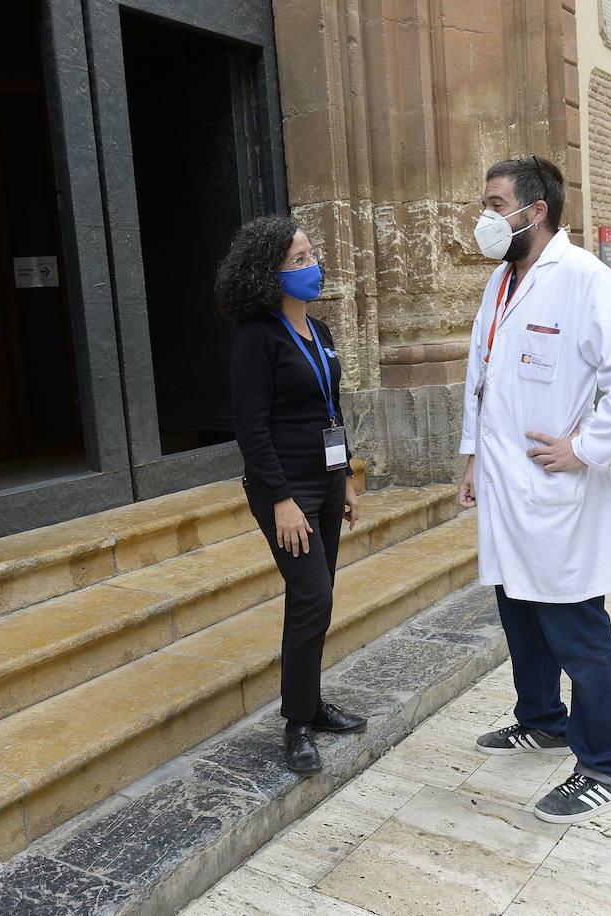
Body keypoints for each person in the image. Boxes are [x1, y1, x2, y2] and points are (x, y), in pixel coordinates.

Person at [458, 154, 611, 824]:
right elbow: (481, 376)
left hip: (556, 492)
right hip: (506, 488)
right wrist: (472, 458)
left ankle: (606, 763)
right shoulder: (501, 282)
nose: (485, 217)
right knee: (520, 610)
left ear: (535, 210)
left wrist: (587, 446)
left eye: (495, 204)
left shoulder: (581, 278)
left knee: (577, 628)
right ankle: (542, 719)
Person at [217, 215, 367, 774]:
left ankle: (309, 704)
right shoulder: (255, 340)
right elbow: (251, 429)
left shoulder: (321, 333)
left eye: (311, 255)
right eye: (298, 261)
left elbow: (333, 410)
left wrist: (347, 477)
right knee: (314, 598)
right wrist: (280, 498)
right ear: (268, 274)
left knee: (314, 598)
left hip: (326, 482)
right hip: (287, 490)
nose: (312, 267)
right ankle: (298, 724)